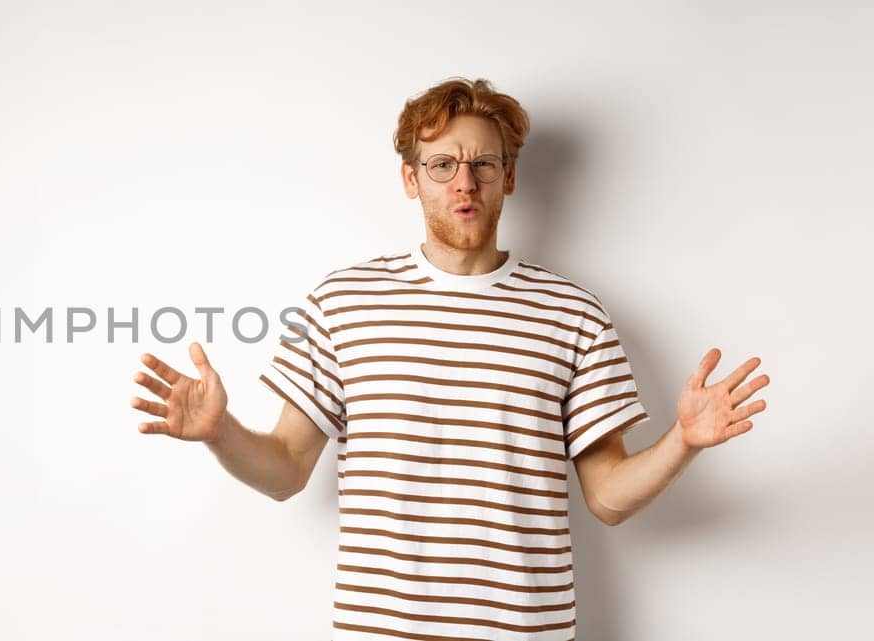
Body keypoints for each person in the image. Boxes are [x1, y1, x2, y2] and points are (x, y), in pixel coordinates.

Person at [127, 77, 771, 640]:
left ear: (510, 177)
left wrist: (683, 441)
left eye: (484, 164)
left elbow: (607, 496)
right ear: (411, 178)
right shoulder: (342, 302)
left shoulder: (574, 313)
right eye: (442, 165)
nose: (464, 182)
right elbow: (288, 468)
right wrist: (218, 433)